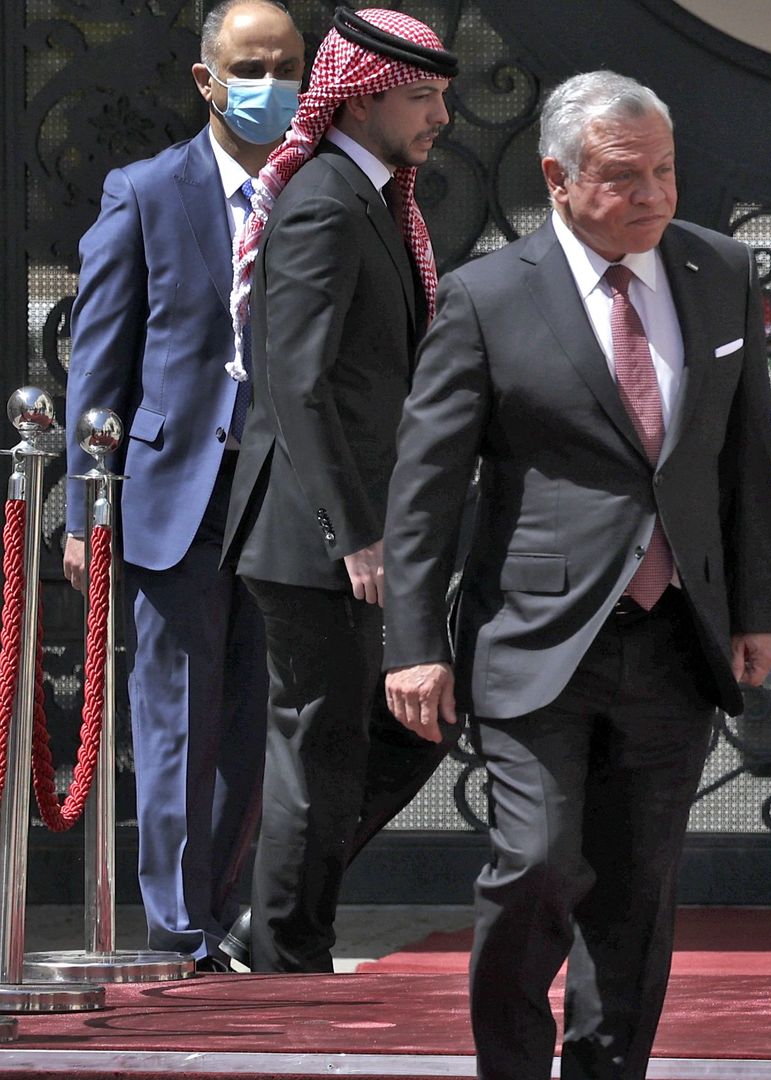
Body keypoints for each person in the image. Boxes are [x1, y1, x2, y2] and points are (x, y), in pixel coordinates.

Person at [380, 71, 771, 1079]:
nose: (653, 195)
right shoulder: (488, 295)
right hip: (534, 638)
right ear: (558, 177)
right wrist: (415, 648)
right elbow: (427, 487)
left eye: (665, 171)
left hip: (676, 636)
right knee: (537, 863)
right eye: (623, 176)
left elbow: (745, 456)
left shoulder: (719, 270)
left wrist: (754, 609)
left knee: (639, 892)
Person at [60, 0, 303, 972]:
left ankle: (229, 910)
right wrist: (85, 511)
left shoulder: (318, 192)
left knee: (253, 728)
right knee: (174, 722)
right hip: (174, 496)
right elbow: (99, 371)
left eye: (287, 65)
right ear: (206, 79)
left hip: (282, 499)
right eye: (252, 66)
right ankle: (177, 927)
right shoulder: (145, 191)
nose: (270, 85)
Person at [221, 6, 459, 974]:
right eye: (420, 98)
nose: (440, 117)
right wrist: (352, 531)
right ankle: (282, 948)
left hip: (356, 533)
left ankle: (275, 925)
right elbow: (299, 383)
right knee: (321, 750)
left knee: (389, 737)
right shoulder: (325, 199)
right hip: (316, 535)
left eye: (442, 96)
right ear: (359, 101)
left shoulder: (371, 195)